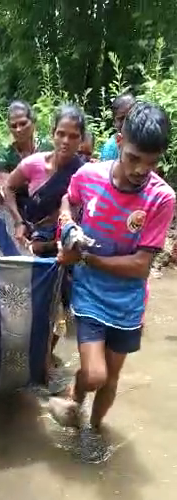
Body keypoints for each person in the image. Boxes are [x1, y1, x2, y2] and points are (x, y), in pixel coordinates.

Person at [58, 102, 176, 461]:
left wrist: (88, 258)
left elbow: (141, 266)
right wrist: (68, 228)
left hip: (127, 302)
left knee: (111, 379)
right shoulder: (89, 176)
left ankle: (93, 433)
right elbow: (68, 202)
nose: (142, 170)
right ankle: (74, 395)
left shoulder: (162, 198)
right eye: (134, 157)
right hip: (90, 292)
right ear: (120, 141)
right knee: (95, 374)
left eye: (151, 163)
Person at [4, 104, 85, 256]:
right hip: (33, 246)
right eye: (61, 134)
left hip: (69, 249)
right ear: (52, 134)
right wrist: (18, 221)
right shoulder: (33, 164)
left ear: (81, 139)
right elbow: (8, 187)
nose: (66, 141)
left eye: (73, 136)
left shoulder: (84, 173)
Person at [100, 92, 135, 162]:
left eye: (130, 117)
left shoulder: (145, 142)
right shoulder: (110, 148)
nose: (126, 123)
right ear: (114, 122)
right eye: (121, 118)